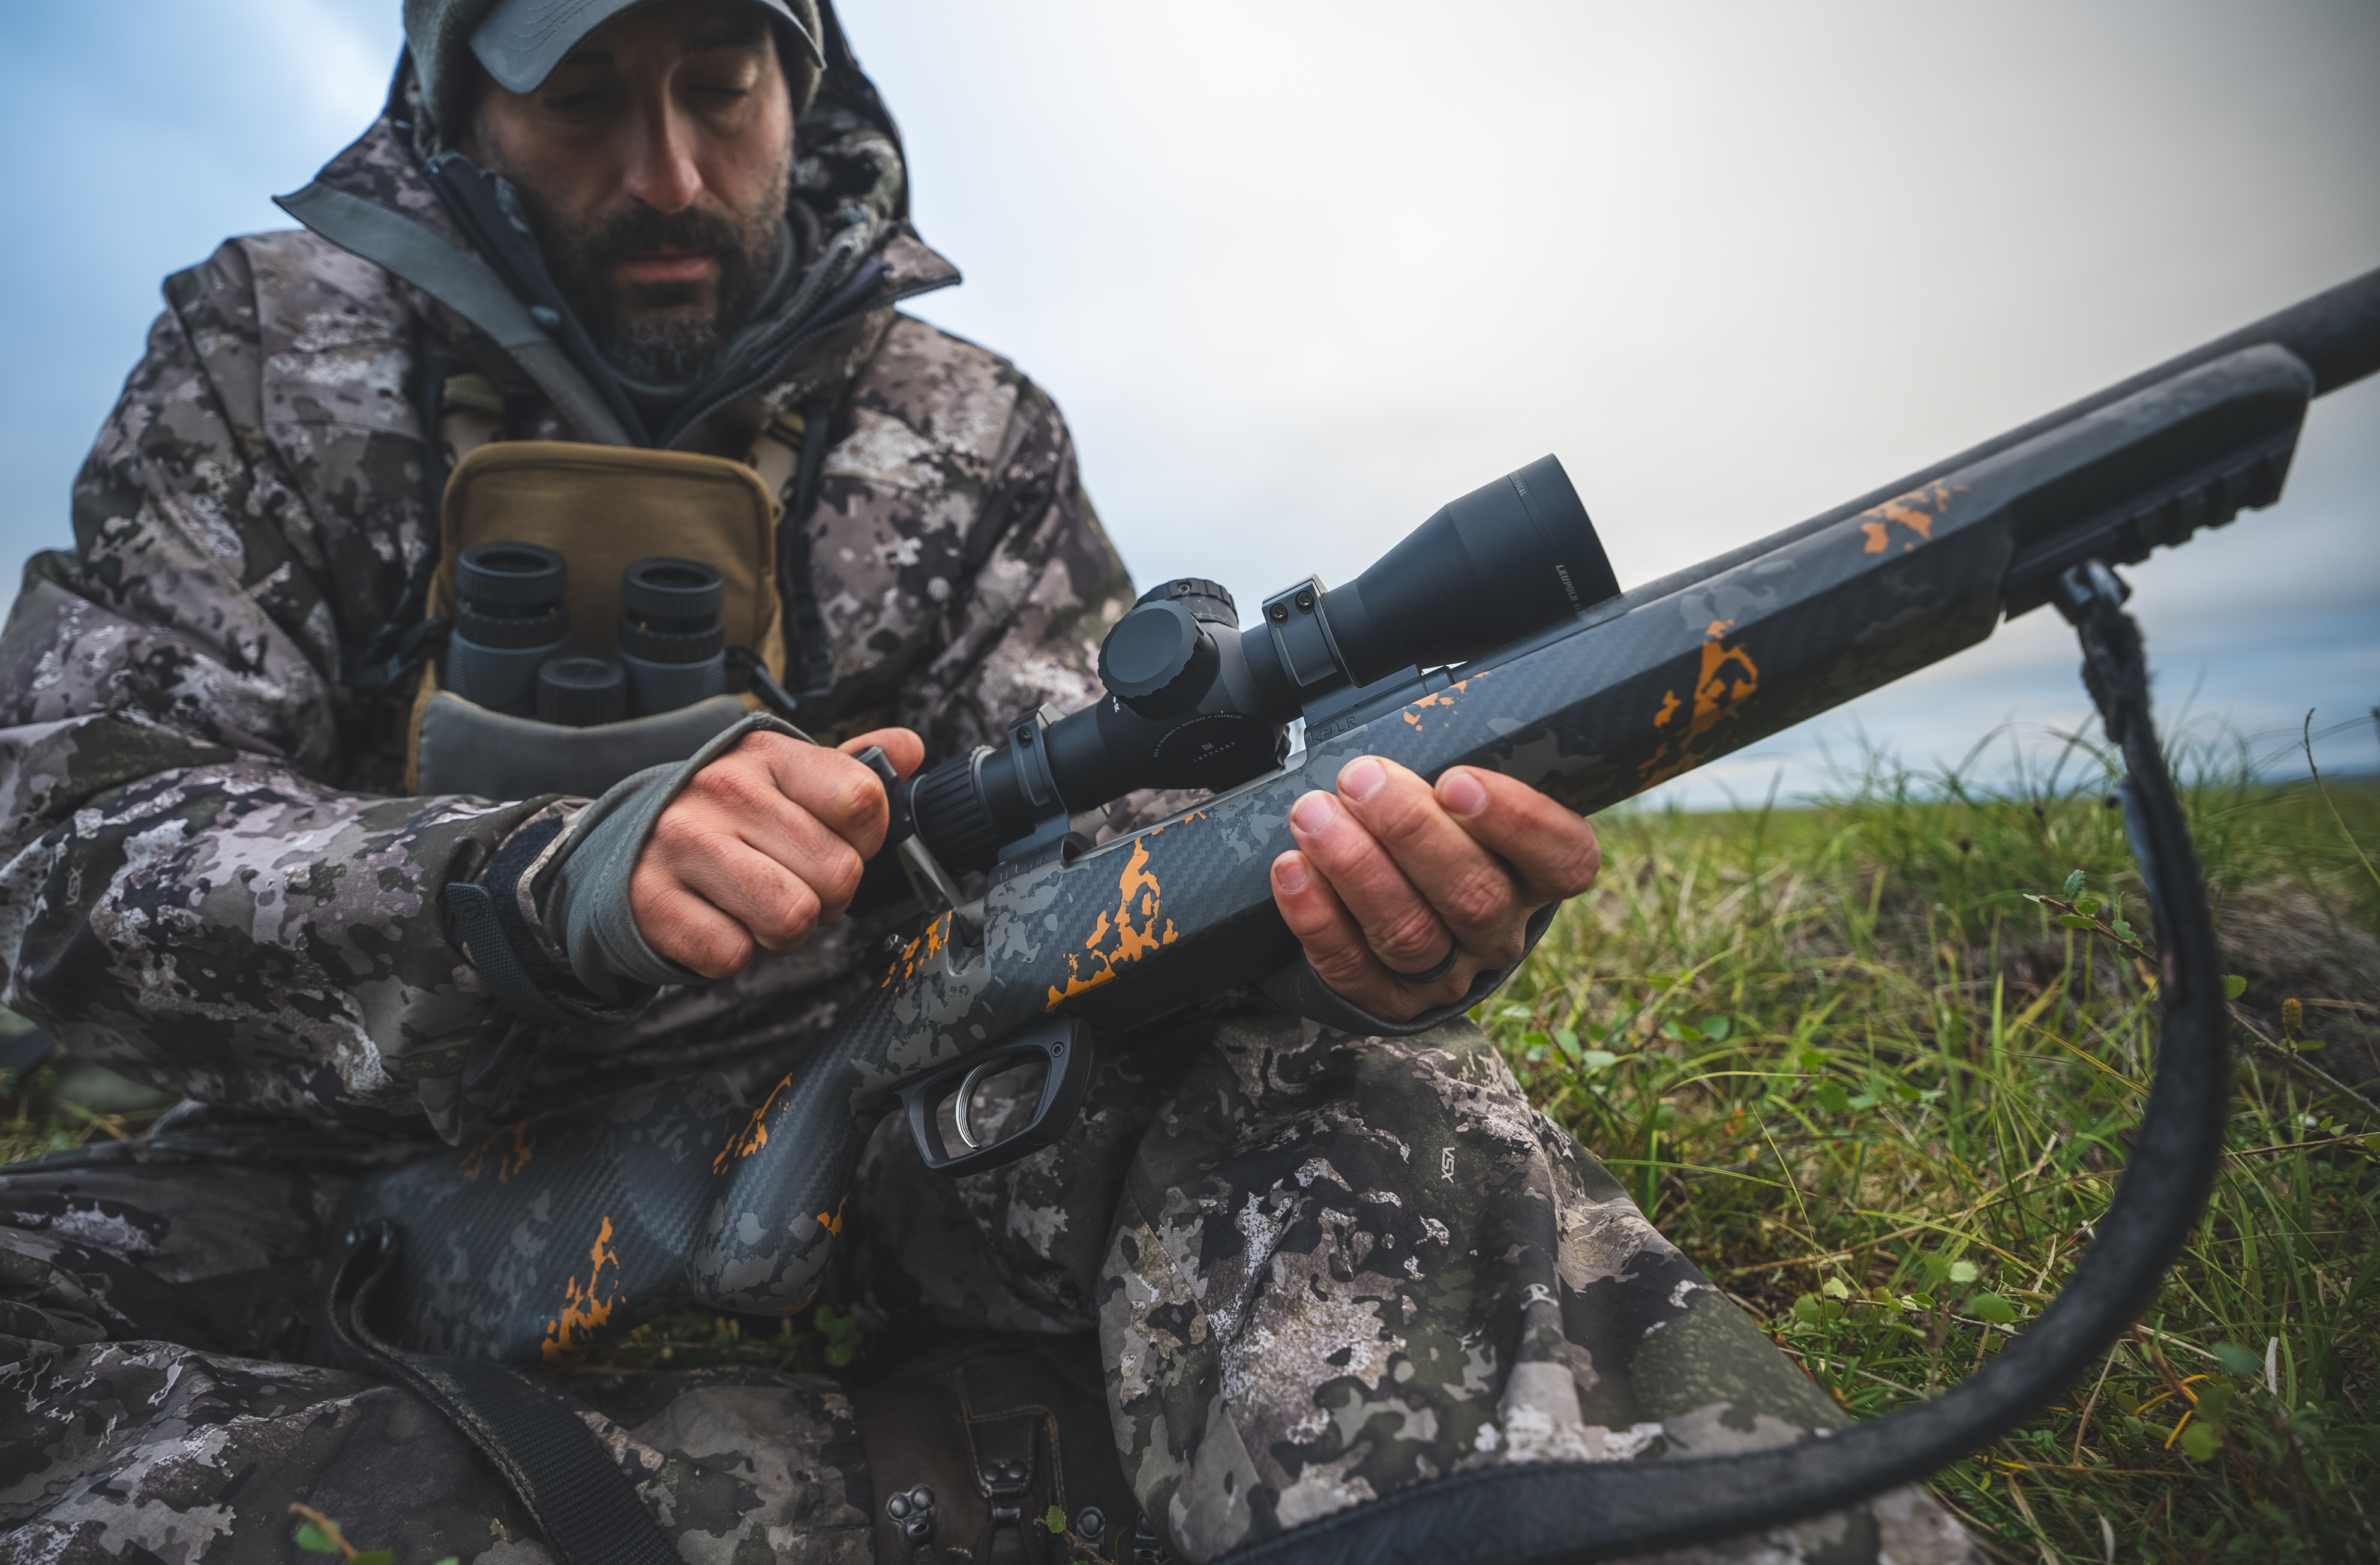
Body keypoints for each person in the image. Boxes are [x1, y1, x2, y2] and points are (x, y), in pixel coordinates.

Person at [0, 2, 1977, 1560]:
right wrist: (529, 881)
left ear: (809, 76)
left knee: (1327, 1092)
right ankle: (935, 1491)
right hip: (320, 1166)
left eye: (721, 84)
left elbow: (1110, 855)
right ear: (450, 98)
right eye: (584, 96)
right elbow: (73, 840)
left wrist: (1331, 929)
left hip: (861, 1124)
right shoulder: (265, 355)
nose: (671, 166)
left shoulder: (966, 430)